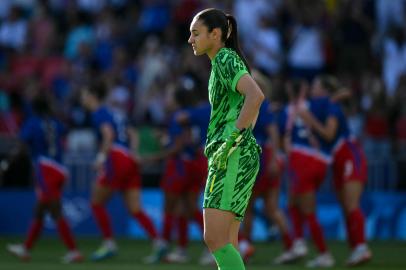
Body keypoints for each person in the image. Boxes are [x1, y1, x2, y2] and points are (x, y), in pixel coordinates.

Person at [188, 8, 264, 269]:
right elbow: (251, 104)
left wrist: (231, 141)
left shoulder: (224, 59)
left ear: (215, 33)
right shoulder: (225, 61)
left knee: (215, 239)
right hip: (236, 153)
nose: (191, 40)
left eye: (196, 33)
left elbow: (256, 96)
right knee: (227, 241)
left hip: (231, 154)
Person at [81, 81, 164, 261]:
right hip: (129, 159)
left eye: (84, 94)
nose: (82, 98)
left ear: (92, 95)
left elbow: (108, 135)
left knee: (96, 203)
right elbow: (133, 133)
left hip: (116, 158)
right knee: (135, 209)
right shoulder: (115, 112)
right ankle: (159, 243)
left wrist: (101, 159)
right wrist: (133, 152)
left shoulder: (99, 112)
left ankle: (109, 243)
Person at [296, 76, 372, 266]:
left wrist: (310, 120)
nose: (313, 90)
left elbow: (329, 134)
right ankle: (356, 249)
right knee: (346, 207)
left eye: (316, 87)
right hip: (337, 160)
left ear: (324, 91)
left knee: (351, 204)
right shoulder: (327, 105)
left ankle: (361, 247)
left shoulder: (331, 107)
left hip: (348, 154)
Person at [6, 95, 83, 263]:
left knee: (54, 210)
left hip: (46, 169)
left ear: (33, 109)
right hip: (61, 169)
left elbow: (21, 145)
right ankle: (25, 249)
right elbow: (65, 131)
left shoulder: (33, 122)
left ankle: (74, 251)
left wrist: (6, 163)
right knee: (40, 210)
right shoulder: (55, 122)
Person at [277, 80, 334, 267]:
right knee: (293, 201)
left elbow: (283, 139)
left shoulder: (286, 111)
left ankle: (324, 253)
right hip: (319, 160)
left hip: (301, 159)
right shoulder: (314, 105)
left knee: (307, 209)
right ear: (304, 90)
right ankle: (299, 242)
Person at [239, 70, 293, 263]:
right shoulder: (262, 105)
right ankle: (291, 245)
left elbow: (272, 133)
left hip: (260, 160)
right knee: (270, 208)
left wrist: (271, 160)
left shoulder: (258, 104)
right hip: (263, 158)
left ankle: (245, 249)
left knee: (246, 209)